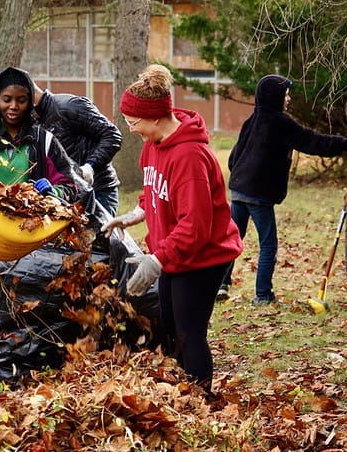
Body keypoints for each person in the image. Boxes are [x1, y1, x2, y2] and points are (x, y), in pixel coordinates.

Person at [101, 64, 243, 391]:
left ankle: (199, 398)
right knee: (168, 325)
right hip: (176, 253)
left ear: (154, 118)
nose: (132, 130)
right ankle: (179, 387)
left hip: (205, 257)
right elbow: (154, 189)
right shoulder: (154, 144)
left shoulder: (190, 156)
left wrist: (156, 260)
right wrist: (135, 214)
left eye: (133, 122)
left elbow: (195, 226)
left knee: (190, 332)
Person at [218, 75, 347, 304]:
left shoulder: (253, 119)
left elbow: (234, 157)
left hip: (239, 190)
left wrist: (241, 177)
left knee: (232, 241)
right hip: (258, 194)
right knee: (268, 245)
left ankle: (219, 284)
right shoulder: (281, 123)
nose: (288, 99)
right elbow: (315, 141)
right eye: (286, 94)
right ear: (275, 97)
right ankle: (262, 295)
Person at [0, 67, 84, 318]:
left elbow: (70, 185)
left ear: (31, 101)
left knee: (24, 309)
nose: (14, 106)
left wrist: (54, 191)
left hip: (31, 243)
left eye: (22, 100)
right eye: (6, 99)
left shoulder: (44, 141)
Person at [32, 79, 122, 217]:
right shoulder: (31, 123)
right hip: (64, 195)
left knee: (99, 237)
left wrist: (90, 166)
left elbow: (112, 135)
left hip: (98, 191)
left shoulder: (69, 106)